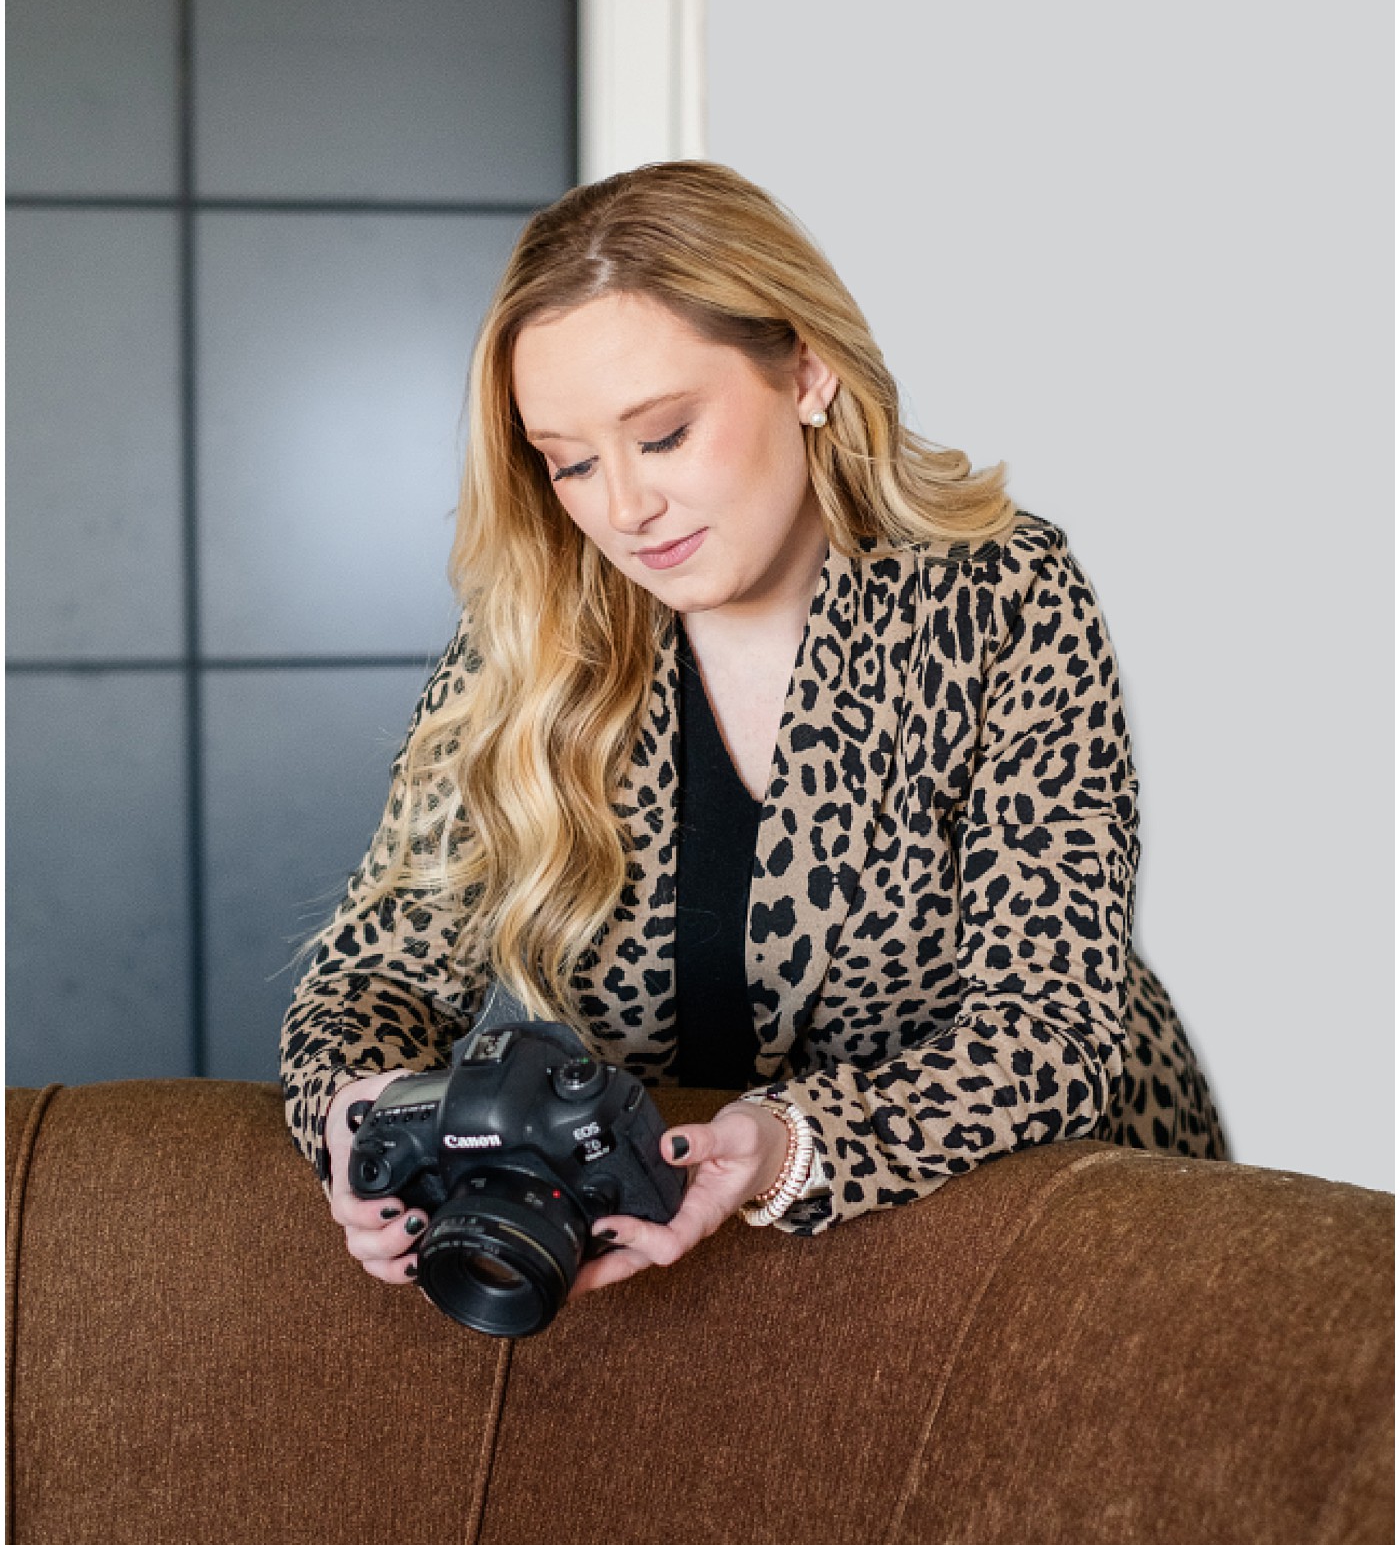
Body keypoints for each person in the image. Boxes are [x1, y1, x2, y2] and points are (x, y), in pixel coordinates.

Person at [279, 160, 1225, 1303]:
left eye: (664, 434)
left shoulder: (1001, 597)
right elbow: (372, 975)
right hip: (699, 1268)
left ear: (807, 370)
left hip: (1029, 1232)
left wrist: (788, 1144)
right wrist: (355, 1110)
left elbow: (1049, 1031)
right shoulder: (525, 644)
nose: (622, 508)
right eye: (571, 461)